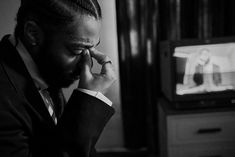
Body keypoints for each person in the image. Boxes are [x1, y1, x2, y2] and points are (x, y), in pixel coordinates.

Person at [0, 0, 116, 156]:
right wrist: (90, 100)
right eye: (77, 50)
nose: (86, 65)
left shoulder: (44, 68)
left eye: (92, 50)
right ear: (33, 33)